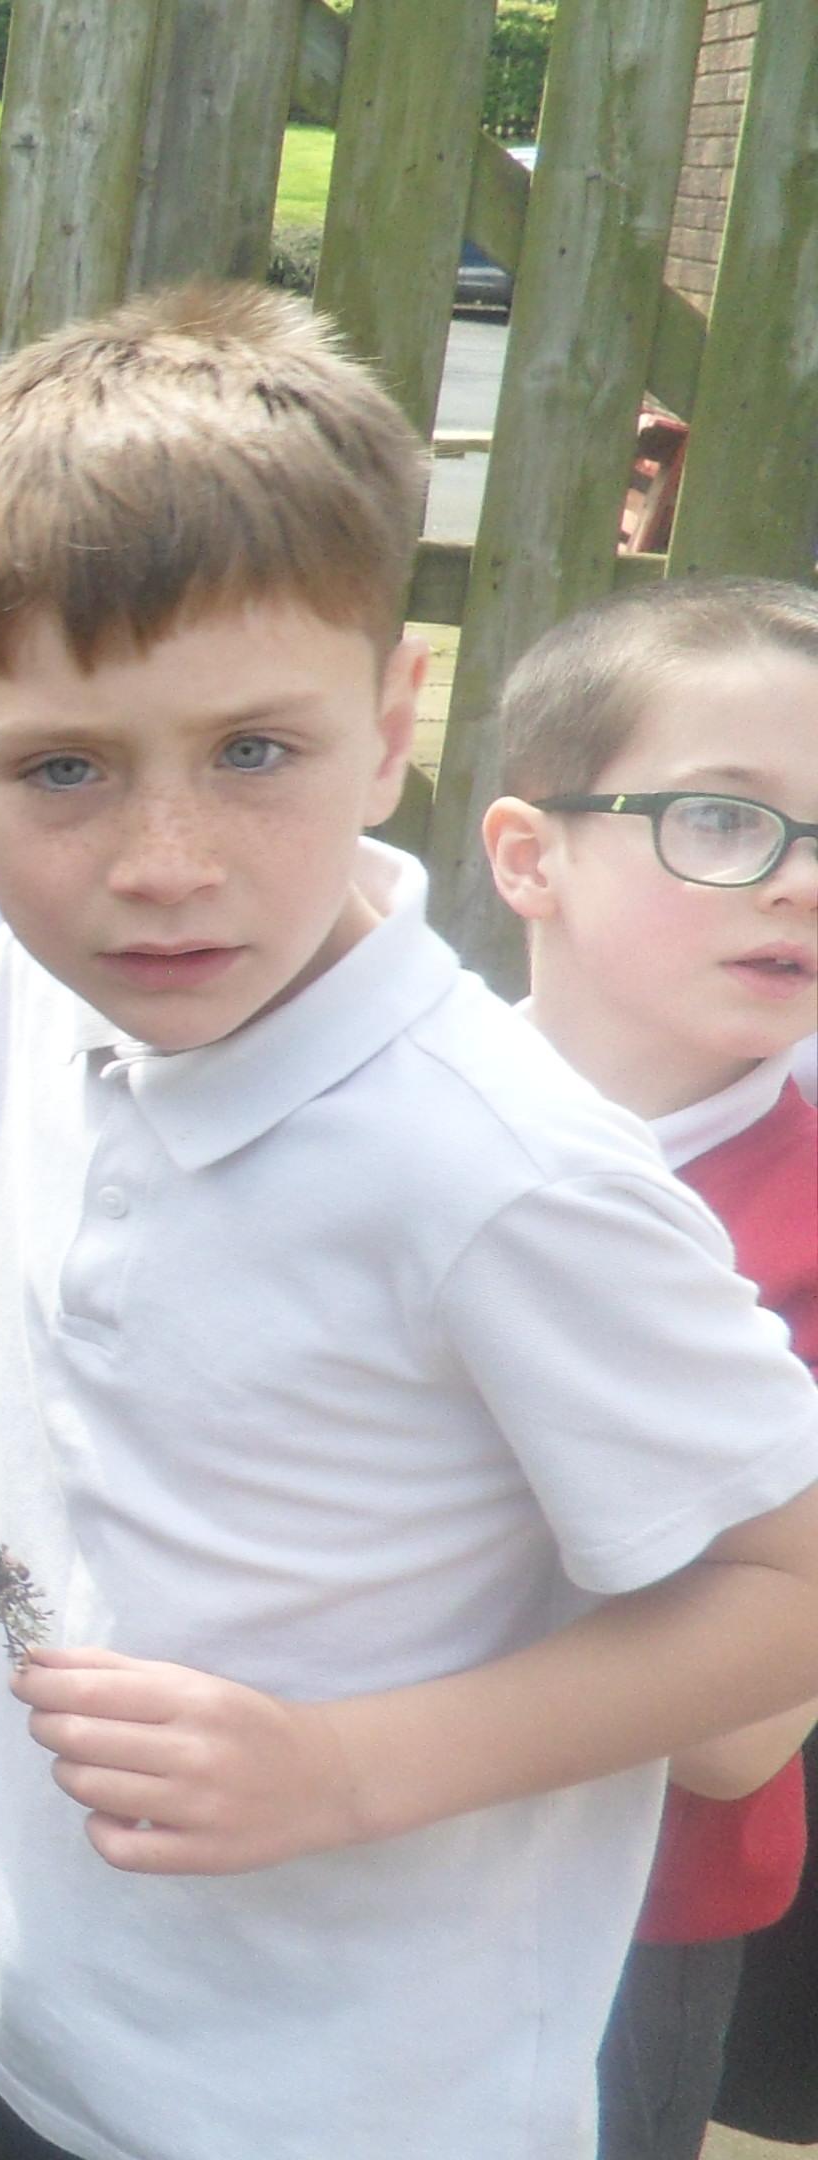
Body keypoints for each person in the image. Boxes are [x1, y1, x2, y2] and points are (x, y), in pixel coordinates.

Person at [0, 283, 818, 2160]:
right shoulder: (55, 1005)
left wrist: (339, 1768)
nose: (163, 863)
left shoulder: (502, 1174)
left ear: (389, 728)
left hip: (339, 2117)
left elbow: (784, 1589)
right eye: (63, 768)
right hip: (28, 2024)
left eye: (254, 754)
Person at [478, 577, 818, 2160]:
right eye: (724, 821)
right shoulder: (379, 1115)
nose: (800, 880)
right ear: (528, 857)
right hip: (305, 1892)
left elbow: (741, 1726)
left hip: (623, 1927)